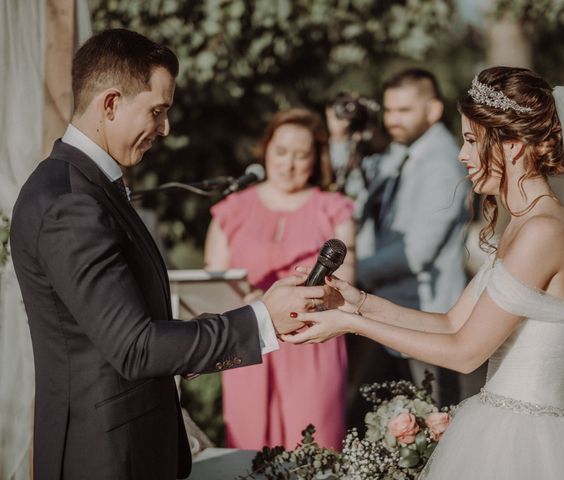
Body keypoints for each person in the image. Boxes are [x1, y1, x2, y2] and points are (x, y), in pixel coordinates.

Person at [284, 66, 564, 478]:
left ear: (513, 146)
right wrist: (358, 302)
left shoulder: (544, 231)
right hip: (500, 423)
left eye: (472, 140)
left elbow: (466, 351)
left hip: (531, 445)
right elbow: (453, 322)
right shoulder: (523, 223)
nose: (462, 154)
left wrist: (350, 325)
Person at [9, 29, 326, 480]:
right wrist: (262, 319)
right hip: (105, 458)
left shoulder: (87, 188)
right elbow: (136, 348)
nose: (165, 128)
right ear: (112, 103)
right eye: (157, 111)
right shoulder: (70, 203)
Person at [204, 108, 356, 450]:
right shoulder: (232, 209)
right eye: (281, 152)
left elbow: (348, 281)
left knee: (313, 451)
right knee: (247, 452)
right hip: (248, 344)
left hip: (312, 347)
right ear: (266, 149)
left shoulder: (333, 208)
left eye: (301, 155)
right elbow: (214, 281)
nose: (289, 165)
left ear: (316, 159)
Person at [356, 69, 472, 405]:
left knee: (434, 421)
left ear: (433, 110)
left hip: (430, 317)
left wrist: (356, 274)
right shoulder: (399, 154)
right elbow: (353, 186)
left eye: (404, 111)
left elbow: (418, 251)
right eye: (389, 110)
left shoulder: (442, 164)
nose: (393, 120)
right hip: (390, 314)